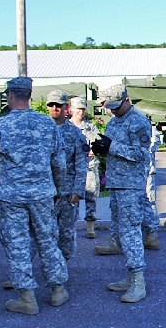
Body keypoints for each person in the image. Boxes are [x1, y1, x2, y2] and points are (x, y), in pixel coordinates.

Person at [0, 77, 69, 315]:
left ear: (9, 95)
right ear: (30, 95)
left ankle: (27, 298)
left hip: (12, 197)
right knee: (48, 240)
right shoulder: (47, 124)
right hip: (42, 194)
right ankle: (58, 289)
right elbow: (58, 162)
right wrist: (59, 190)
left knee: (18, 244)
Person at [91, 84, 153, 302]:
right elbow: (112, 148)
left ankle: (138, 281)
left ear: (127, 100)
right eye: (110, 108)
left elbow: (140, 154)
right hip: (117, 184)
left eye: (116, 107)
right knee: (121, 232)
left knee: (131, 232)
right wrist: (101, 149)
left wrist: (112, 147)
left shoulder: (138, 121)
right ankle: (130, 276)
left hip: (130, 186)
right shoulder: (115, 121)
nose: (113, 111)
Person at [46, 90, 88, 261]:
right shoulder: (41, 131)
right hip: (44, 192)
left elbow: (81, 164)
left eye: (59, 105)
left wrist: (78, 190)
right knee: (41, 233)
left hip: (66, 193)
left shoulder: (75, 133)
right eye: (51, 105)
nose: (55, 108)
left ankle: (62, 267)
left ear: (66, 107)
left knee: (65, 234)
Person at [69, 97, 100, 239]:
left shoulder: (90, 127)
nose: (81, 112)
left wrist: (94, 149)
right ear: (71, 109)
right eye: (78, 109)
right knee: (70, 200)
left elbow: (98, 143)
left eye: (83, 109)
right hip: (72, 169)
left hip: (89, 166)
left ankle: (90, 226)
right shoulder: (67, 127)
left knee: (91, 197)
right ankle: (69, 227)